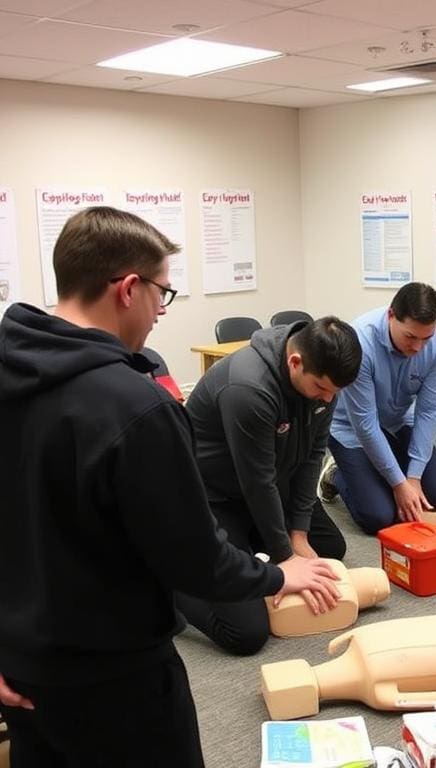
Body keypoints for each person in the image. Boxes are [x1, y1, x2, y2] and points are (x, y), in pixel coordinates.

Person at [0, 207, 335, 766]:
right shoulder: (137, 407)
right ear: (129, 289)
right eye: (163, 293)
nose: (161, 310)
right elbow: (196, 561)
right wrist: (280, 572)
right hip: (117, 675)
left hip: (26, 670)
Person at [176, 316, 362, 655]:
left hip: (273, 482)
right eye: (321, 389)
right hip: (214, 498)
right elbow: (256, 481)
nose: (327, 399)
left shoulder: (324, 381)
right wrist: (284, 557)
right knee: (246, 632)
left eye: (334, 392)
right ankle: (172, 581)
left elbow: (312, 457)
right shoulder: (248, 388)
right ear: (295, 362)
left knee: (329, 548)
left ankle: (249, 551)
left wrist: (299, 536)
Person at [320, 282, 436, 534]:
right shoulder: (360, 342)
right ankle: (336, 474)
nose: (417, 348)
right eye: (410, 337)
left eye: (426, 338)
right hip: (351, 427)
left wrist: (412, 478)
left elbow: (427, 412)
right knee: (379, 516)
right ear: (391, 315)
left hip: (398, 420)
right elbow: (366, 424)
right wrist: (398, 484)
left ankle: (382, 473)